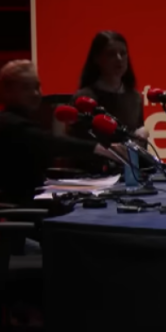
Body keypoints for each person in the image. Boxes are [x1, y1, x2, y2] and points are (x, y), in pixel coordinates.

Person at [0, 60, 122, 205]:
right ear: (7, 91)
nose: (35, 93)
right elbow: (48, 142)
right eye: (26, 88)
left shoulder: (23, 119)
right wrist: (100, 149)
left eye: (37, 86)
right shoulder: (8, 122)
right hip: (23, 209)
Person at [73, 30, 148, 141]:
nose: (119, 58)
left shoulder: (135, 98)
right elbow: (77, 141)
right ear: (97, 59)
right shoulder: (84, 98)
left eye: (123, 53)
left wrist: (142, 133)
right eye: (111, 54)